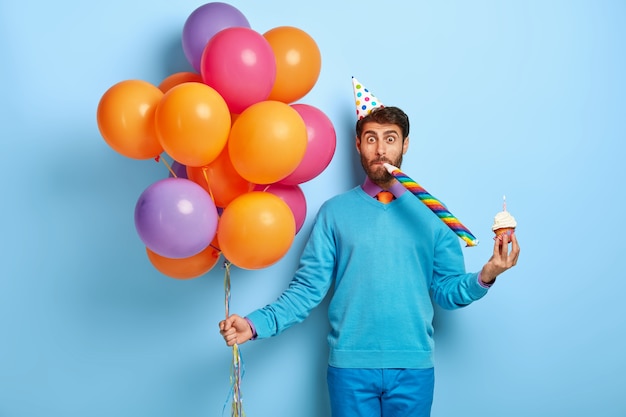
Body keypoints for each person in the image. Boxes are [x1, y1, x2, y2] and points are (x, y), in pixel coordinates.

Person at [219, 87, 520, 417]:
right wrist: (256, 323)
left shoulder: (434, 215)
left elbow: (446, 292)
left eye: (390, 139)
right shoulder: (334, 213)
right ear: (358, 145)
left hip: (413, 368)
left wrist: (487, 274)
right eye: (371, 138)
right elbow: (306, 290)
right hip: (350, 368)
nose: (381, 149)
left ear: (405, 145)